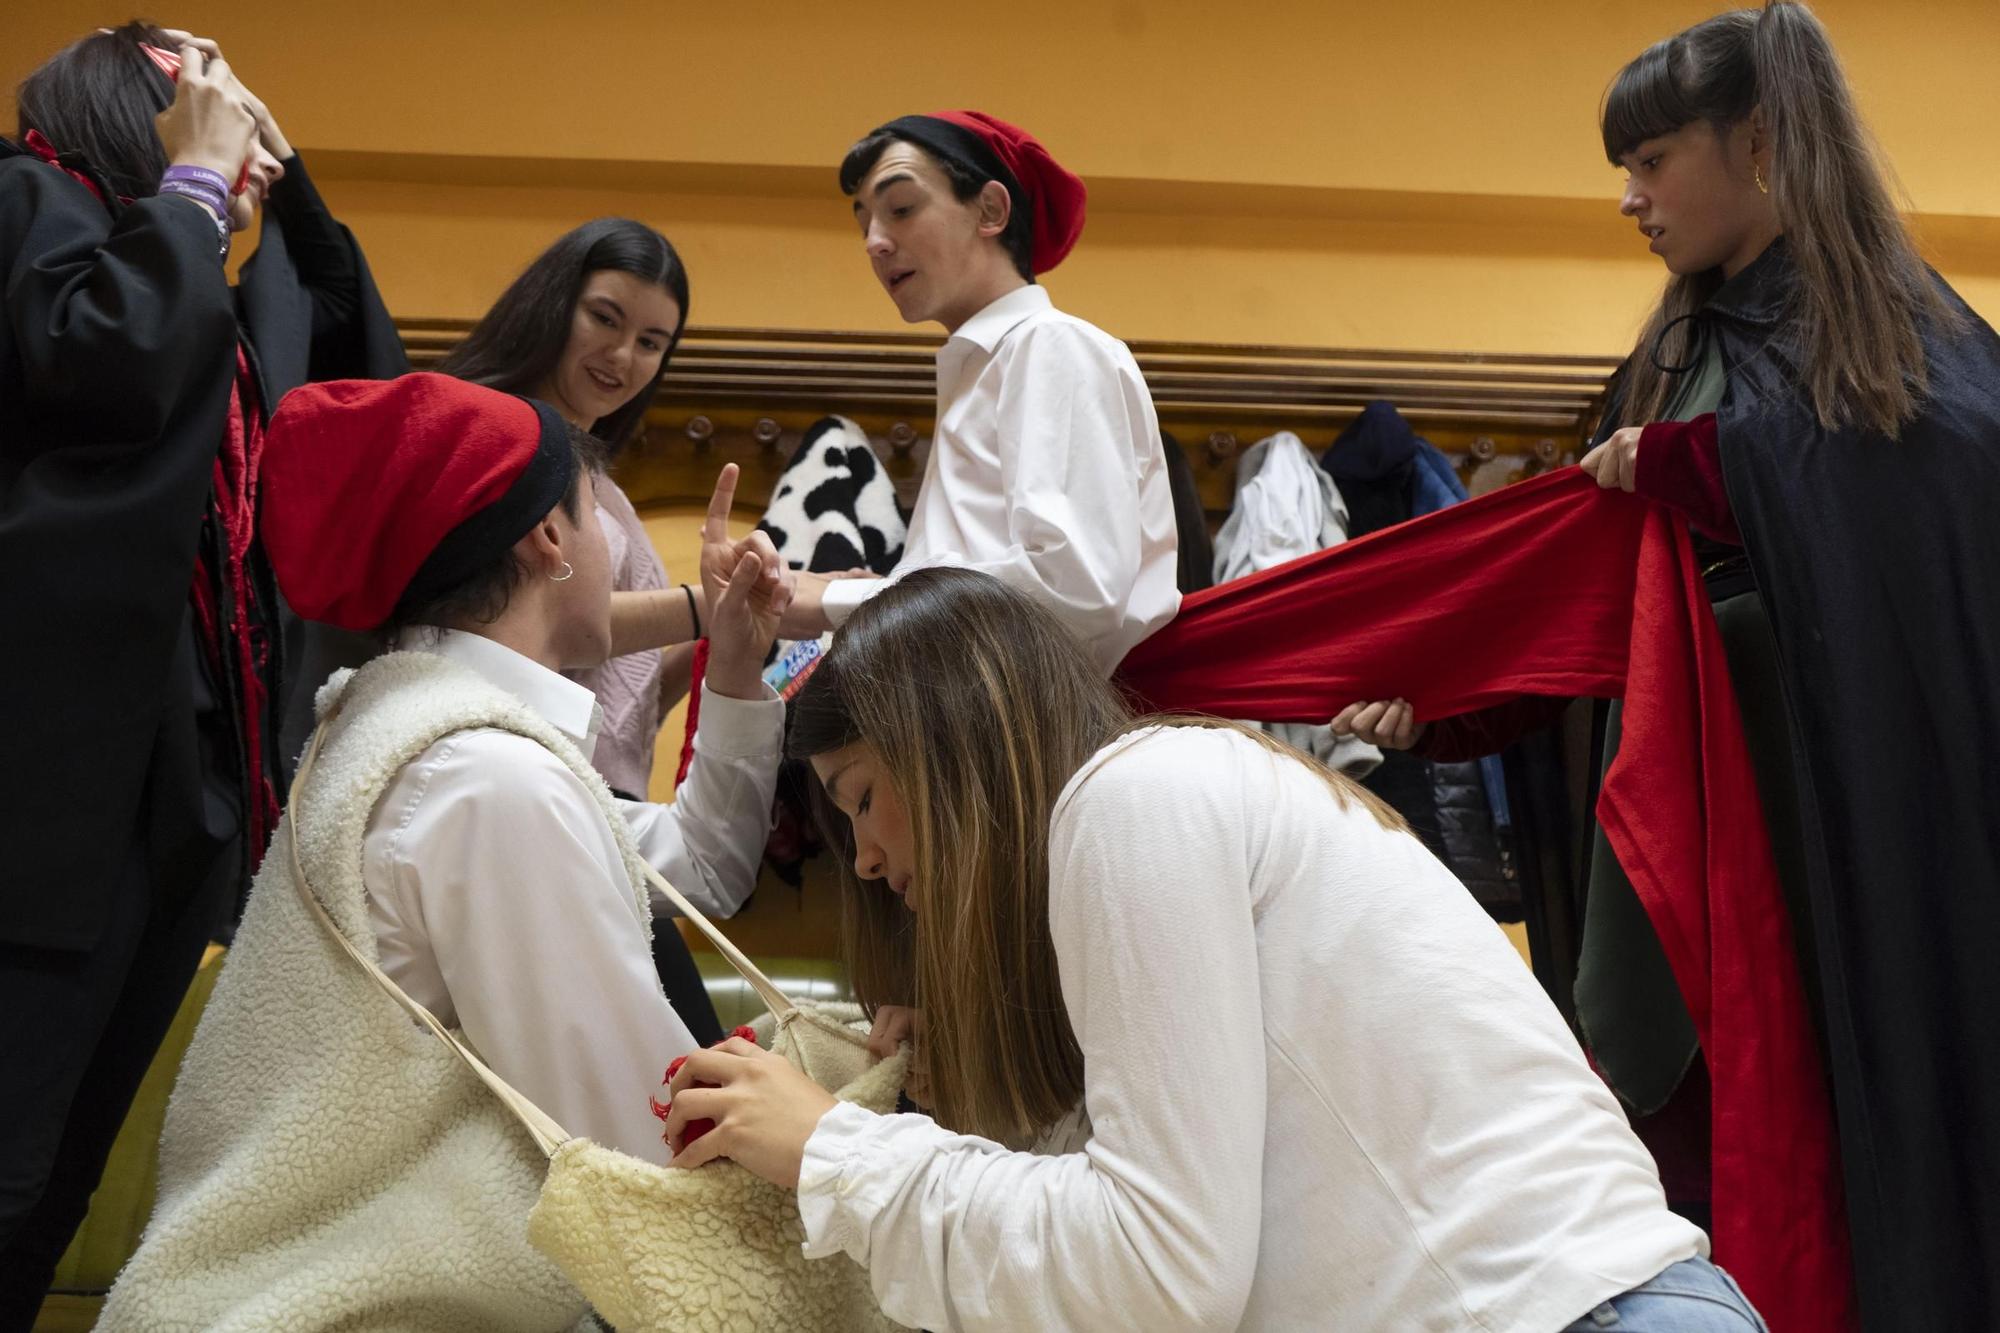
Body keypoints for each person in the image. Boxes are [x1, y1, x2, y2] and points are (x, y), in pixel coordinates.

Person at [1334, 3, 2000, 1325]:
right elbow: (1621, 603)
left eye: (1651, 162)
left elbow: (1941, 484)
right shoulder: (1681, 349)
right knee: (1684, 1173)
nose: (1631, 200)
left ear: (1760, 143)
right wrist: (1454, 714)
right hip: (1684, 841)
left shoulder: (1900, 338)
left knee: (1849, 1156)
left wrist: (1711, 470)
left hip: (1843, 846)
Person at [652, 567, 1765, 1333]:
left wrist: (834, 1151)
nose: (859, 858)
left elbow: (1158, 1270)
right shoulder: (1172, 804)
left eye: (859, 800)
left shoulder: (1134, 799)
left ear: (947, 746)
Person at [99, 375, 789, 1329]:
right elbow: (646, 1131)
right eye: (599, 517)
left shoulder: (423, 736)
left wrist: (740, 670)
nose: (617, 554)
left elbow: (696, 867)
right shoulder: (483, 778)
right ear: (546, 538)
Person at [0, 22, 403, 1320]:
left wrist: (279, 177)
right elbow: (94, 352)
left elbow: (353, 364)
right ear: (134, 106)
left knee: (59, 1175)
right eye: (209, 89)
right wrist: (189, 185)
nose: (237, 119)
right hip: (43, 783)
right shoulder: (24, 196)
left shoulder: (194, 285)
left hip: (183, 785)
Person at [667, 110, 1177, 676]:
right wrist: (877, 596)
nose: (874, 243)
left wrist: (833, 603)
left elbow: (1075, 590)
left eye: (902, 209)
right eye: (863, 224)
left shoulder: (1050, 345)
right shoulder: (982, 372)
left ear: (990, 209)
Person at [436, 219, 726, 1038]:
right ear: (553, 302)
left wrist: (729, 642)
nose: (623, 356)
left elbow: (614, 697)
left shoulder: (593, 471)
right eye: (605, 317)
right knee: (690, 1072)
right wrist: (708, 603)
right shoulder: (502, 436)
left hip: (597, 813)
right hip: (531, 812)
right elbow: (562, 625)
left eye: (652, 341)